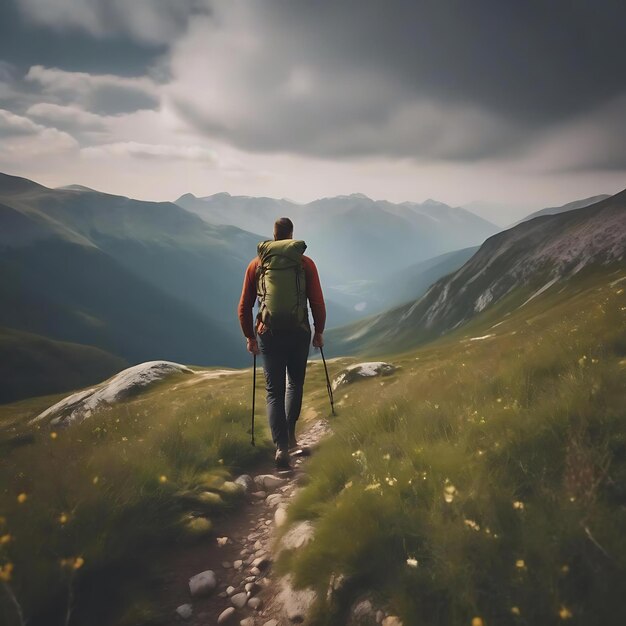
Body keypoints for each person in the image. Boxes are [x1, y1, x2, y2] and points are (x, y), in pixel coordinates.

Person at [238, 217, 326, 469]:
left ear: (274, 236)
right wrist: (318, 332)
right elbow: (317, 303)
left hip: (269, 333)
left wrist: (249, 336)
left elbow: (244, 306)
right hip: (299, 332)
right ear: (291, 235)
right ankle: (290, 436)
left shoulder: (257, 264)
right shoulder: (305, 263)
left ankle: (281, 448)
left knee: (274, 391)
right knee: (294, 384)